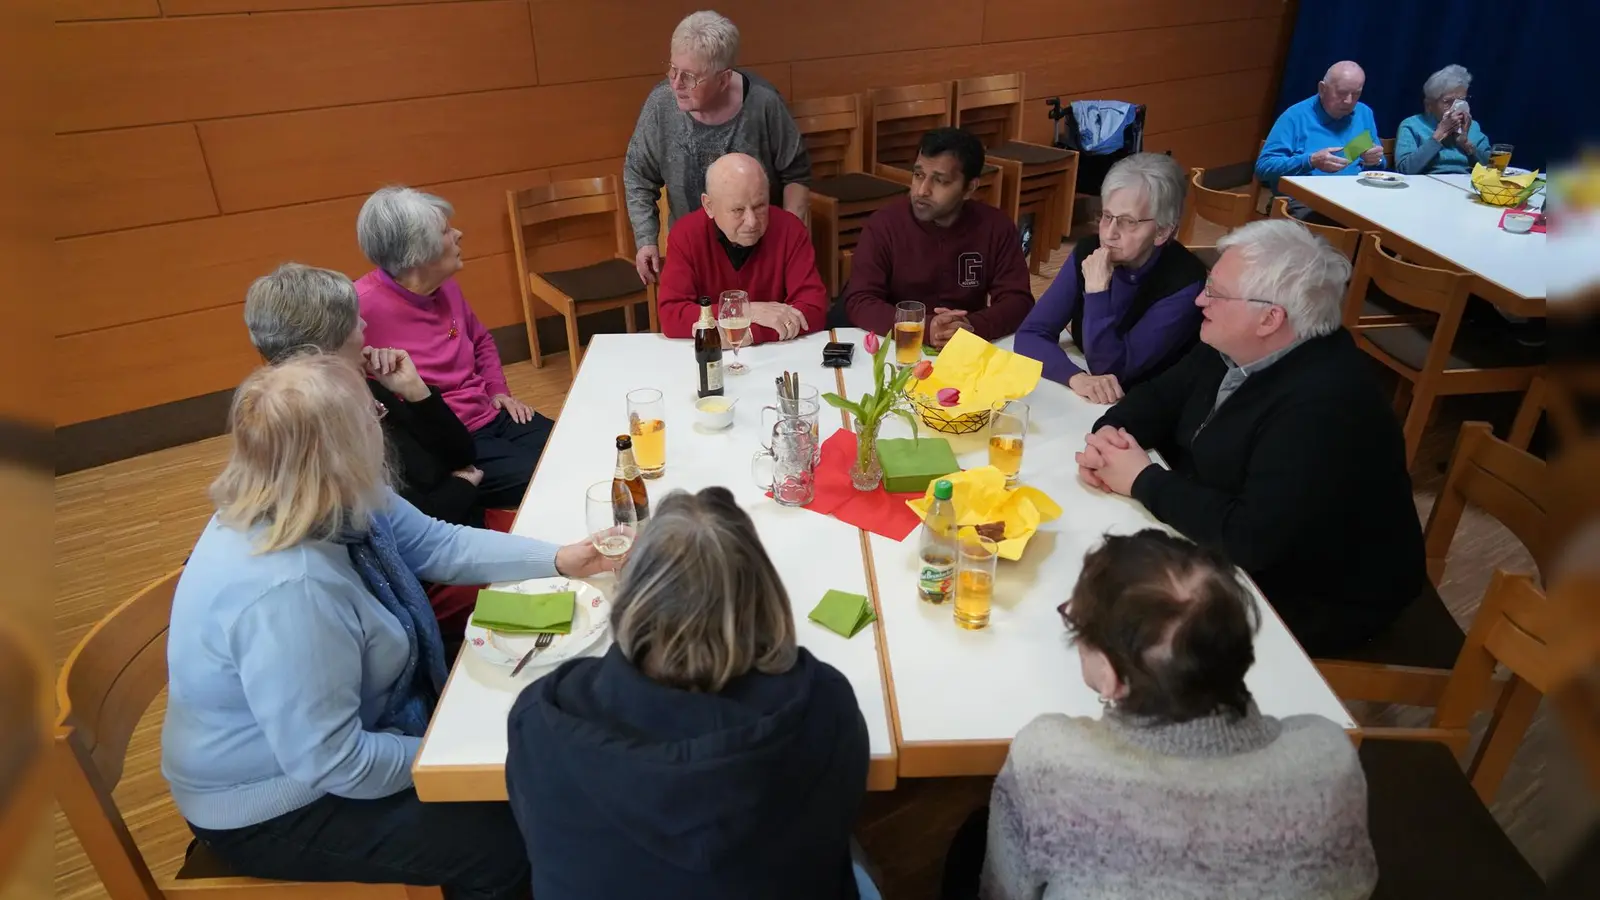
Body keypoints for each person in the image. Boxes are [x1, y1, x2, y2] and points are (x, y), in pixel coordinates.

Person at [161, 354, 620, 900]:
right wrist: (456, 758)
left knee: (541, 724)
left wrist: (561, 559)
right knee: (510, 840)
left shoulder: (319, 491)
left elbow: (435, 543)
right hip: (279, 802)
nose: (384, 423)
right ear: (341, 448)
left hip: (358, 732)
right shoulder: (289, 591)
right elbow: (336, 761)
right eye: (374, 413)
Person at [506, 487, 879, 900]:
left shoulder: (541, 718)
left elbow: (539, 835)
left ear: (631, 598)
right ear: (763, 597)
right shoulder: (823, 703)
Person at [1074, 219, 1426, 656]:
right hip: (1232, 536)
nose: (1200, 299)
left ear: (1269, 318)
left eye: (1216, 292)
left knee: (1118, 623)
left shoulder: (1326, 405)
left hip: (1317, 594)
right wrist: (1110, 436)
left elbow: (1250, 538)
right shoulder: (1233, 343)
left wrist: (1142, 479)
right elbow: (1159, 397)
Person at [963, 529, 1376, 899]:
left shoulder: (1049, 759)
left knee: (967, 842)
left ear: (1109, 676)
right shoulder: (1329, 757)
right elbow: (1354, 885)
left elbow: (1001, 891)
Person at [243, 263, 485, 527]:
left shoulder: (364, 386)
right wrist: (462, 486)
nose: (364, 324)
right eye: (354, 320)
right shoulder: (320, 429)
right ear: (331, 340)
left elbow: (462, 454)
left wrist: (417, 392)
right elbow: (405, 525)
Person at [354, 186, 551, 511]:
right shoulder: (359, 310)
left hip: (491, 412)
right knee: (550, 478)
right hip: (451, 442)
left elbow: (482, 341)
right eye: (446, 231)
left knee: (574, 448)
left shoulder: (446, 287)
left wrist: (498, 390)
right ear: (419, 253)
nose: (459, 234)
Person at [625, 10, 811, 285]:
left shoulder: (764, 104)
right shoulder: (660, 106)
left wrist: (789, 244)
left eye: (690, 76)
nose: (676, 84)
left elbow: (796, 173)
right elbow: (638, 175)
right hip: (692, 254)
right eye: (673, 70)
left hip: (760, 251)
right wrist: (646, 239)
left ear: (724, 79)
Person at [1014, 153, 1206, 403]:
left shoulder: (1184, 282)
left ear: (1162, 231)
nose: (1109, 233)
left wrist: (1097, 293)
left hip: (1151, 403)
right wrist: (1076, 377)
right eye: (1106, 216)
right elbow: (1031, 333)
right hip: (1094, 400)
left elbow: (1113, 371)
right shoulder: (1089, 251)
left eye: (1129, 222)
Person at [842, 128, 1034, 347]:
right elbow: (860, 300)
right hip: (899, 347)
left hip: (966, 348)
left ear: (969, 188)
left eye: (940, 181)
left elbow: (1019, 302)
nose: (922, 191)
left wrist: (972, 326)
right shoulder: (884, 225)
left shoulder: (995, 227)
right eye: (918, 175)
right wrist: (923, 328)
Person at [657, 152, 827, 343]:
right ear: (709, 206)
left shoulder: (790, 229)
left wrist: (749, 334)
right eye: (738, 210)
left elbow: (814, 309)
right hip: (712, 354)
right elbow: (671, 315)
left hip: (774, 352)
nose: (752, 222)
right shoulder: (686, 234)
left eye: (760, 206)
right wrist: (746, 311)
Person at [1256, 61, 1386, 220]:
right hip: (1304, 200)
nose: (1348, 101)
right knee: (1341, 223)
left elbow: (1379, 163)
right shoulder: (1295, 117)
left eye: (1356, 94)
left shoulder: (1364, 113)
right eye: (1342, 93)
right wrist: (1311, 161)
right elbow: (1263, 167)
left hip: (1353, 196)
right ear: (1322, 89)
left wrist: (1375, 160)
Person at [1395, 64, 1493, 175]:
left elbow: (1492, 169)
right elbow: (1404, 170)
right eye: (1448, 102)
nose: (1456, 107)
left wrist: (1466, 145)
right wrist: (1438, 136)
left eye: (1462, 101)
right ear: (1429, 105)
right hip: (1426, 182)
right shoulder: (1412, 125)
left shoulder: (1472, 126)